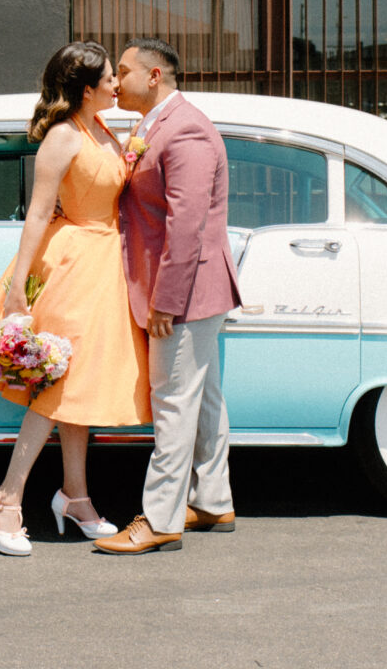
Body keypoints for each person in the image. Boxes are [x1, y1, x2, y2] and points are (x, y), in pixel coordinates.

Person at [0, 41, 153, 556]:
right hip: (72, 262)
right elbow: (36, 213)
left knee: (81, 384)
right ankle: (6, 498)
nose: (118, 84)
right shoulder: (62, 136)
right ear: (85, 88)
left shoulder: (102, 130)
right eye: (109, 78)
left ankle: (75, 495)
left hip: (104, 264)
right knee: (58, 383)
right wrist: (15, 289)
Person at [94, 38, 242, 554]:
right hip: (188, 289)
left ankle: (160, 520)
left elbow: (187, 225)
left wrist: (166, 300)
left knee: (172, 403)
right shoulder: (156, 124)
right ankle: (212, 499)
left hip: (185, 291)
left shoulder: (187, 129)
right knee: (203, 399)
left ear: (155, 75)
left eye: (126, 71)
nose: (118, 80)